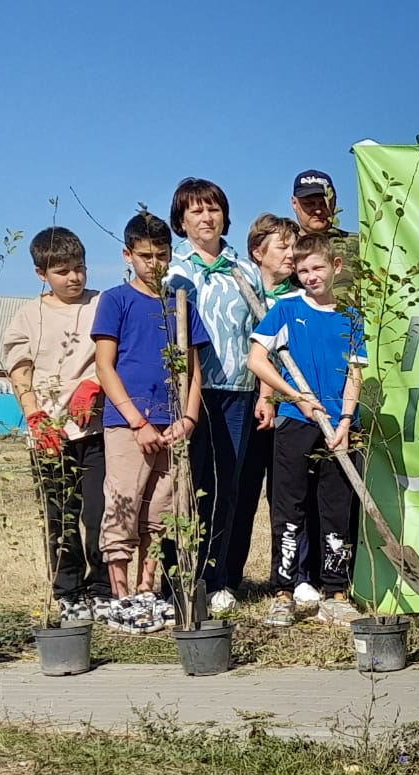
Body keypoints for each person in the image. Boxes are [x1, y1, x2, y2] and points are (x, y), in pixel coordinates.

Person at [92, 212, 207, 633]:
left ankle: (147, 589)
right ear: (128, 255)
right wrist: (137, 421)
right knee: (123, 501)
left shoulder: (181, 305)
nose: (153, 263)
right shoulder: (115, 300)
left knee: (161, 510)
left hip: (173, 422)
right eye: (145, 255)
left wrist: (189, 417)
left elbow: (195, 371)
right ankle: (120, 596)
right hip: (129, 423)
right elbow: (106, 367)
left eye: (161, 255)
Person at [247, 234, 366, 627]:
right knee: (289, 506)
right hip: (298, 421)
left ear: (335, 267)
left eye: (317, 268)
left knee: (337, 506)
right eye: (302, 271)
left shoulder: (351, 316)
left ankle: (335, 591)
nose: (311, 276)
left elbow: (354, 373)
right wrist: (294, 395)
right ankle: (283, 592)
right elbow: (257, 360)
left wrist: (346, 421)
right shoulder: (286, 309)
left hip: (338, 425)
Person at [163, 179, 261, 615]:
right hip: (188, 395)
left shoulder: (245, 271)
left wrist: (268, 393)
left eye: (213, 209)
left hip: (238, 391)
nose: (206, 218)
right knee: (184, 484)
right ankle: (180, 573)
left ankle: (219, 577)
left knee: (227, 485)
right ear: (181, 220)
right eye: (196, 211)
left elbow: (263, 333)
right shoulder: (173, 269)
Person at [3, 227, 111, 620]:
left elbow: (115, 354)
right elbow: (20, 370)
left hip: (95, 428)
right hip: (50, 432)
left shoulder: (102, 304)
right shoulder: (29, 317)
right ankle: (68, 588)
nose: (74, 278)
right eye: (63, 271)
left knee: (99, 512)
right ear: (41, 274)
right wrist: (34, 415)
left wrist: (94, 383)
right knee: (59, 514)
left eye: (80, 268)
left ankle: (102, 586)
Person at [222, 214, 310, 599]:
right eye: (282, 246)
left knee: (289, 496)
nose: (292, 254)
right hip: (242, 399)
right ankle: (226, 576)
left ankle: (291, 576)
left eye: (294, 246)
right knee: (238, 491)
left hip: (288, 406)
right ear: (258, 252)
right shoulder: (241, 291)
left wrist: (273, 396)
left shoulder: (298, 298)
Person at [290, 169, 359, 295]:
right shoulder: (284, 248)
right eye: (309, 204)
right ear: (294, 203)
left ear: (334, 202)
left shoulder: (359, 243)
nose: (318, 210)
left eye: (324, 203)